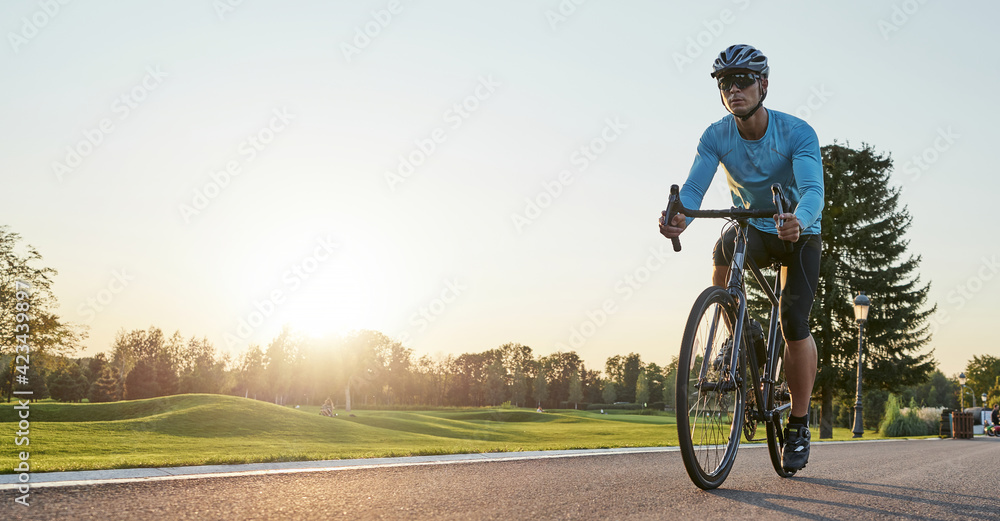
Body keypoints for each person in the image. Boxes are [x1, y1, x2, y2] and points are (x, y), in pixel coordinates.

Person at [659, 44, 824, 472]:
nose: (733, 90)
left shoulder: (797, 132)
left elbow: (812, 192)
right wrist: (680, 219)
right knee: (724, 245)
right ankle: (738, 326)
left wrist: (800, 220)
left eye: (743, 81)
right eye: (724, 83)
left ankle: (799, 425)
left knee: (793, 320)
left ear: (763, 85)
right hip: (753, 226)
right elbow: (693, 191)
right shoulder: (716, 135)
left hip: (797, 232)